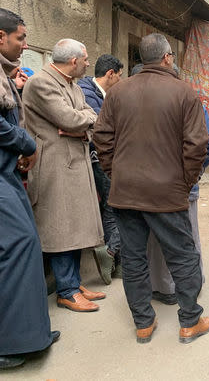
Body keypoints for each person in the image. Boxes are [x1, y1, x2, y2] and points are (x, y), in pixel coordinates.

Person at [93, 33, 209, 344]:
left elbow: (101, 138)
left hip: (126, 192)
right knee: (183, 256)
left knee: (134, 259)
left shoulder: (118, 93)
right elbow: (198, 144)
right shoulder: (184, 92)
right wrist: (186, 182)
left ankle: (143, 323)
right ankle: (190, 321)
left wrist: (114, 172)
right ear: (167, 58)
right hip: (166, 192)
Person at [22, 39, 105, 313]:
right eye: (85, 59)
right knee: (60, 226)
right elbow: (69, 119)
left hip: (72, 162)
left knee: (74, 225)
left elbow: (89, 116)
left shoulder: (71, 84)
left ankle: (73, 283)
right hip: (54, 166)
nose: (88, 63)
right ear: (73, 61)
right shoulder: (42, 83)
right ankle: (66, 290)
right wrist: (80, 124)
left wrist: (81, 126)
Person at [0, 8, 59, 369]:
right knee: (19, 245)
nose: (25, 45)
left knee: (25, 243)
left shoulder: (8, 75)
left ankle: (31, 331)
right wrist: (28, 143)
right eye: (20, 38)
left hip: (8, 173)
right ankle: (11, 342)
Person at [148, 105, 209, 304]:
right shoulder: (191, 102)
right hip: (184, 185)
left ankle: (164, 287)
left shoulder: (140, 101)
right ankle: (191, 285)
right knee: (188, 235)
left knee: (156, 236)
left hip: (150, 184)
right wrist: (193, 173)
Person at [78, 54, 123, 284]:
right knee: (119, 207)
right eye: (119, 76)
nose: (120, 81)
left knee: (111, 208)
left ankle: (113, 261)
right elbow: (101, 128)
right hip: (100, 159)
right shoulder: (87, 93)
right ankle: (111, 252)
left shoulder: (99, 94)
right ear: (110, 74)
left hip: (105, 158)